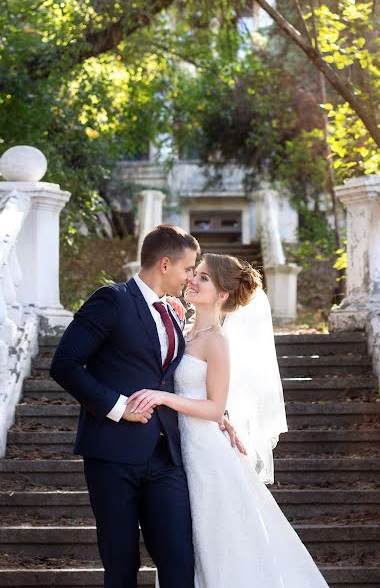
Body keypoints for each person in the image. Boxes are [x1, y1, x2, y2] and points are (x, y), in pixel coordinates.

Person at [49, 226, 242, 588]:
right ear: (165, 264)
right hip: (112, 455)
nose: (189, 278)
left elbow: (178, 377)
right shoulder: (112, 300)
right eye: (188, 269)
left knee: (180, 562)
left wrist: (220, 415)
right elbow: (65, 363)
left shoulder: (172, 315)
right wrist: (119, 407)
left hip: (166, 458)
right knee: (121, 566)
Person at [129, 253, 330, 588]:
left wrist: (165, 399)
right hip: (178, 450)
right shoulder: (181, 328)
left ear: (222, 295)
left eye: (204, 278)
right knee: (184, 543)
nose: (192, 279)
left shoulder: (218, 342)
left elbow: (212, 405)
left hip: (206, 453)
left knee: (216, 542)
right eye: (196, 273)